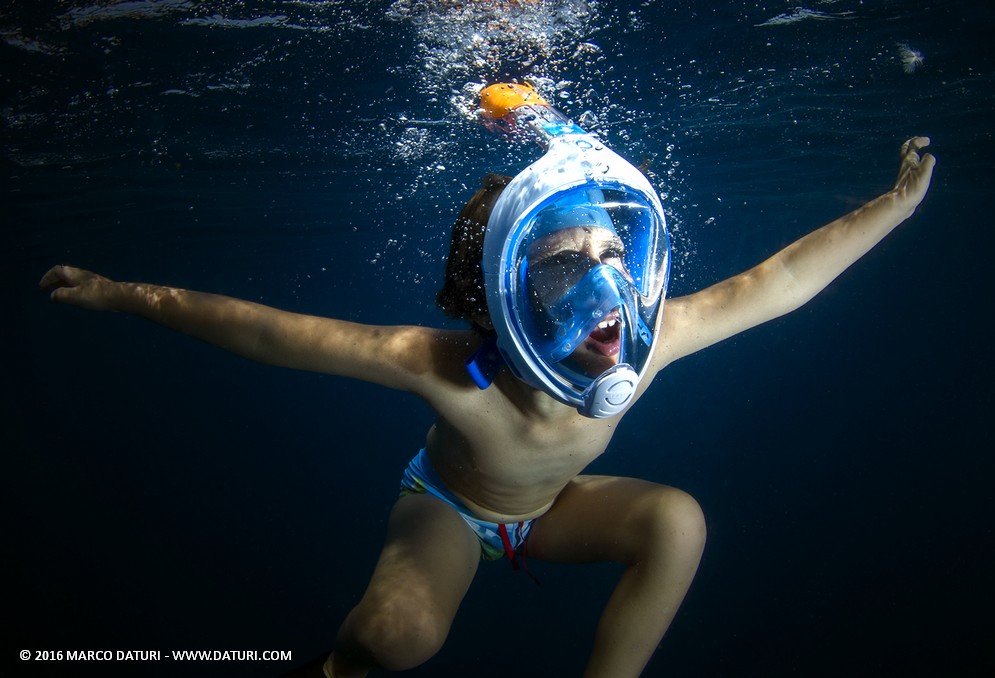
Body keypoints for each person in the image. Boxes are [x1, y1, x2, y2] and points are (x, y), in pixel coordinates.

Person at [39, 134, 935, 677]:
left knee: (679, 522)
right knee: (398, 638)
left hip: (549, 513)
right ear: (492, 303)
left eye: (611, 254)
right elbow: (276, 334)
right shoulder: (443, 366)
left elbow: (779, 282)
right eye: (560, 267)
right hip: (451, 510)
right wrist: (124, 293)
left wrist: (893, 207)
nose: (605, 292)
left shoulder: (655, 339)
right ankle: (338, 665)